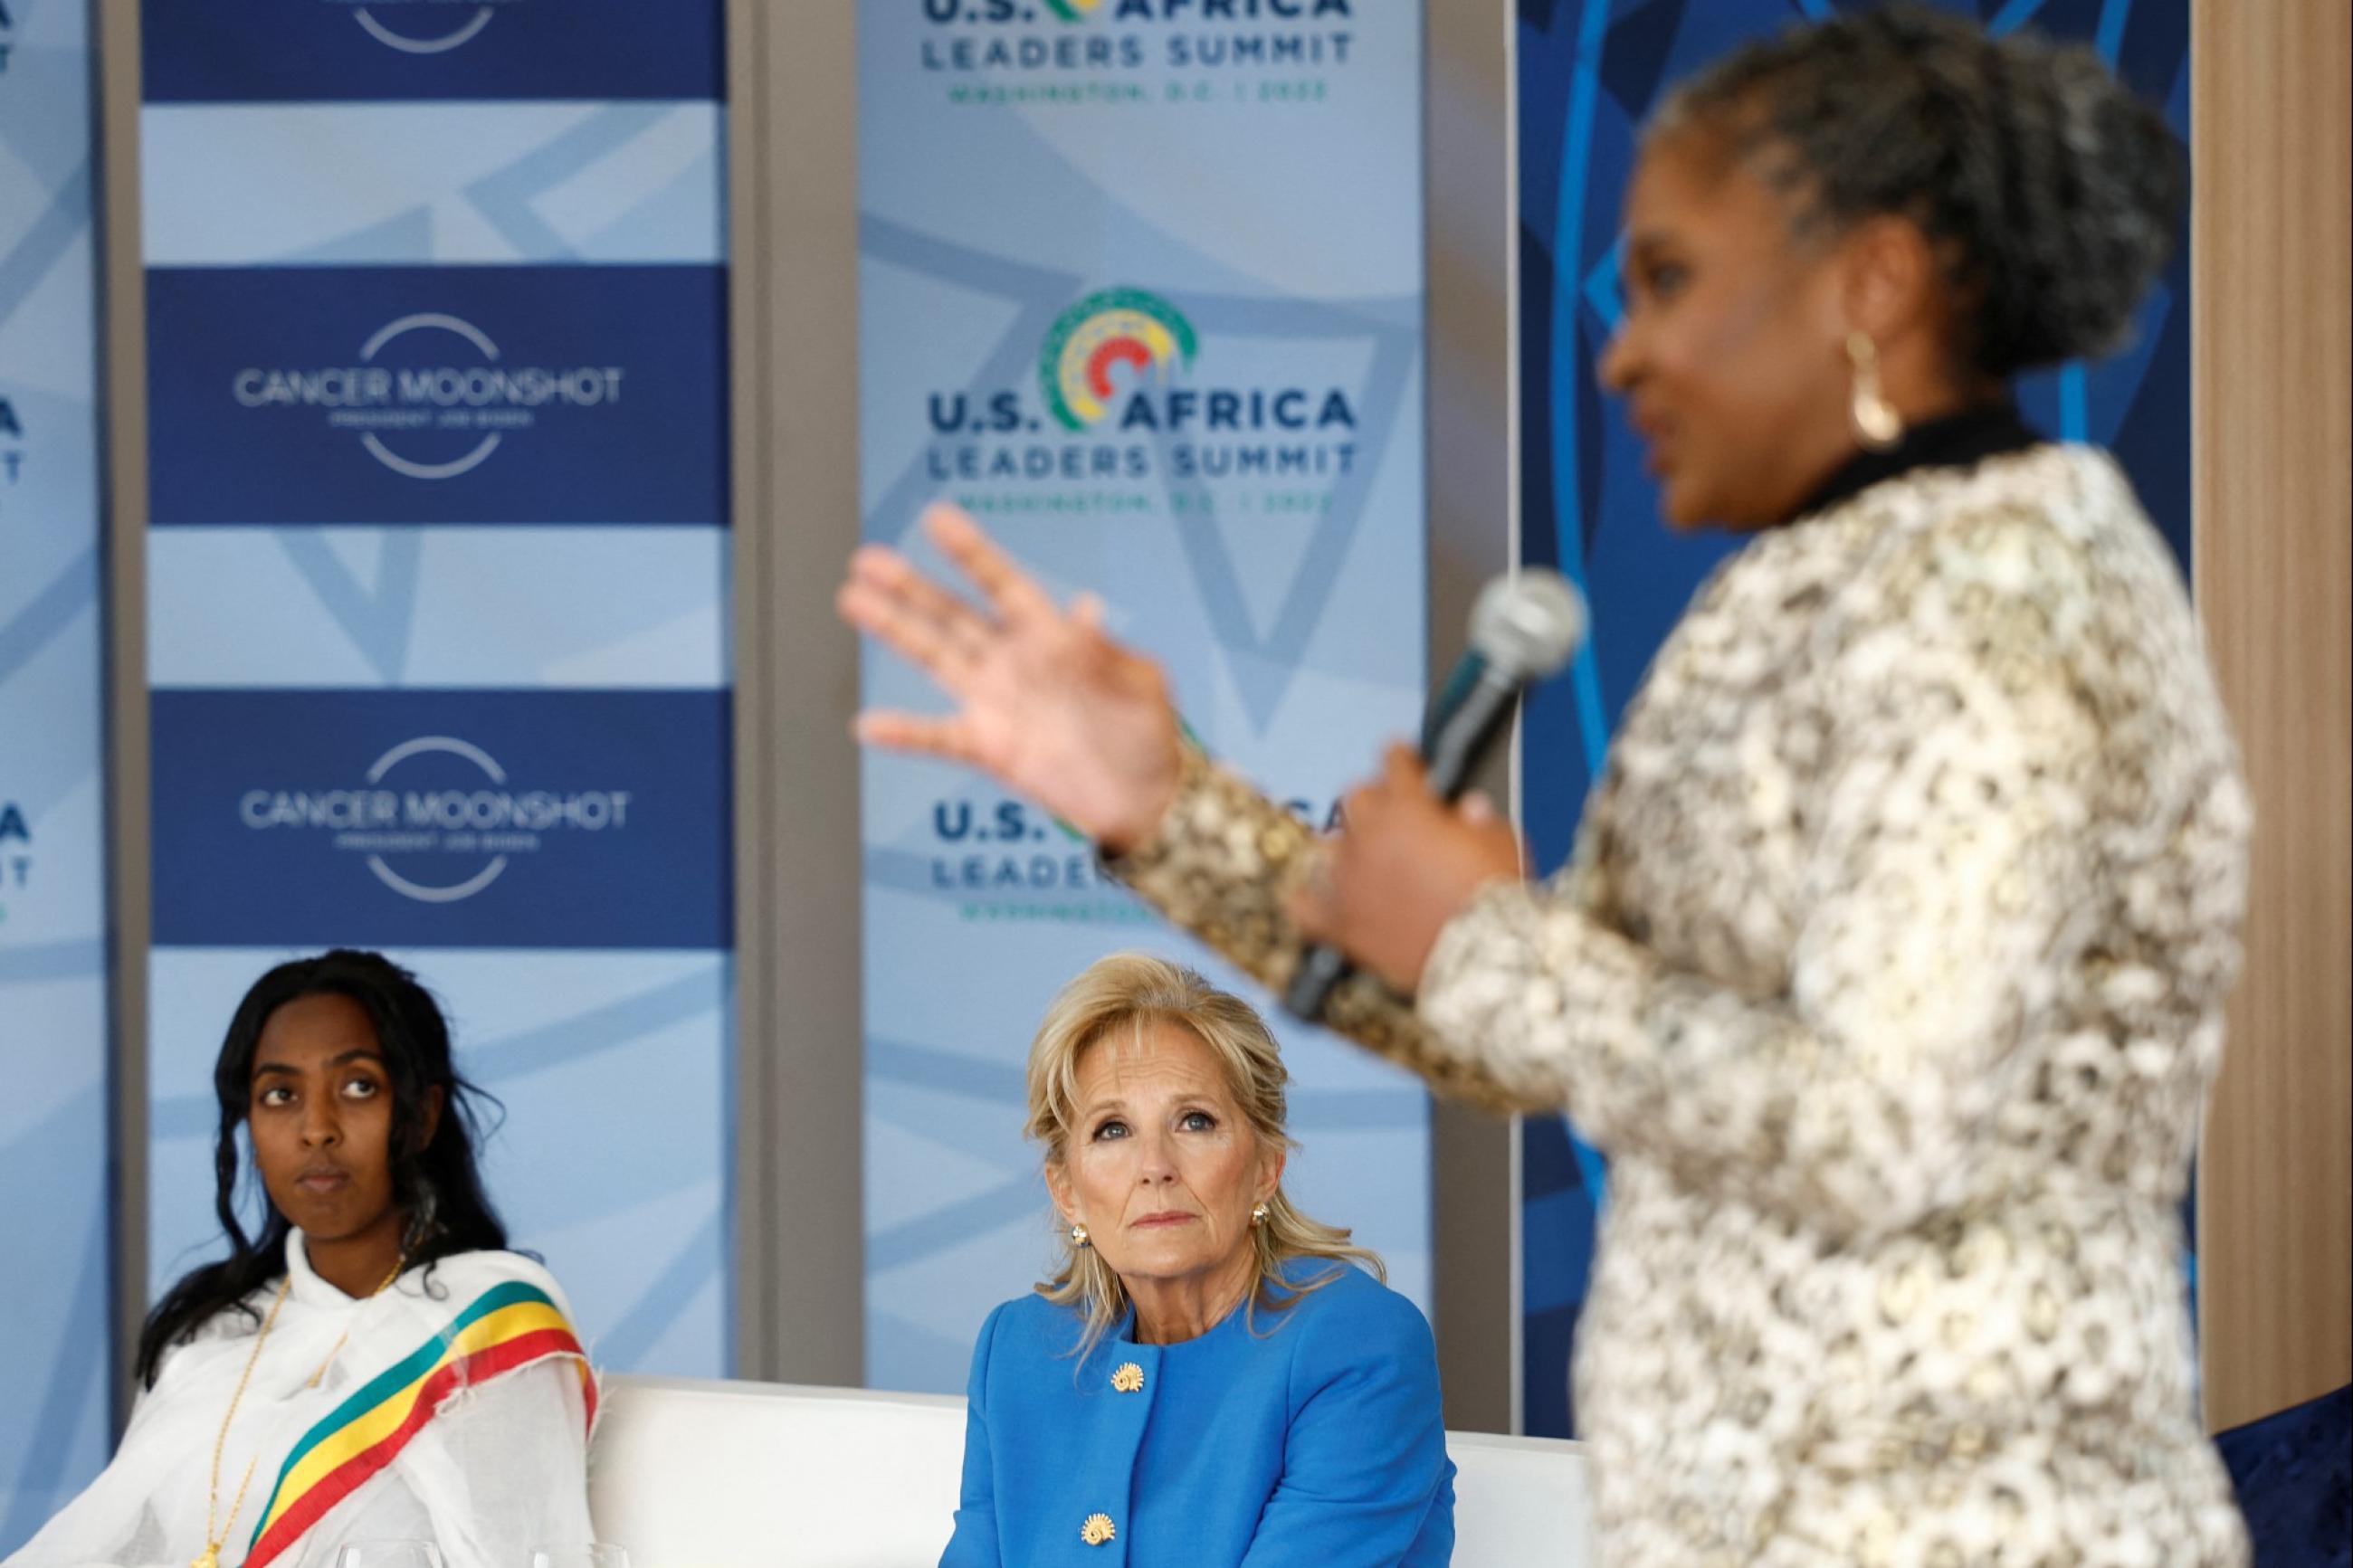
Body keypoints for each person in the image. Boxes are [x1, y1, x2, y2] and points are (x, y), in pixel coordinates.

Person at [839, 8, 2253, 1563]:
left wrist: (1485, 938)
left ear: (1874, 283)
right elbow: (1532, 1017)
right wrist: (1159, 805)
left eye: (1669, 279)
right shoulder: (1819, 596)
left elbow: (1880, 1122)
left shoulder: (2003, 610)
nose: (1621, 342)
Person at [7, 951, 596, 1568]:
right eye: (281, 1093)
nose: (317, 1128)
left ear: (421, 1116)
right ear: (251, 1127)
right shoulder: (209, 1333)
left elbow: (530, 1551)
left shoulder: (492, 1322)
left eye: (359, 1086)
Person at [939, 954, 1453, 1566]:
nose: (1155, 1164)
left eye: (1195, 1120)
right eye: (1111, 1129)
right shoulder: (1019, 1349)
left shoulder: (1357, 1344)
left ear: (1266, 1166)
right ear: (1066, 1189)